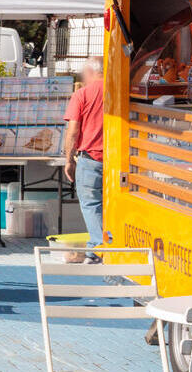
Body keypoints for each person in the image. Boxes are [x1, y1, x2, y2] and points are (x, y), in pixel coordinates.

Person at [63, 59, 105, 258]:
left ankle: (98, 250)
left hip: (90, 158)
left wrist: (69, 160)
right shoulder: (121, 91)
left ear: (90, 71)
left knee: (91, 204)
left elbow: (73, 131)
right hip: (119, 160)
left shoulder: (82, 94)